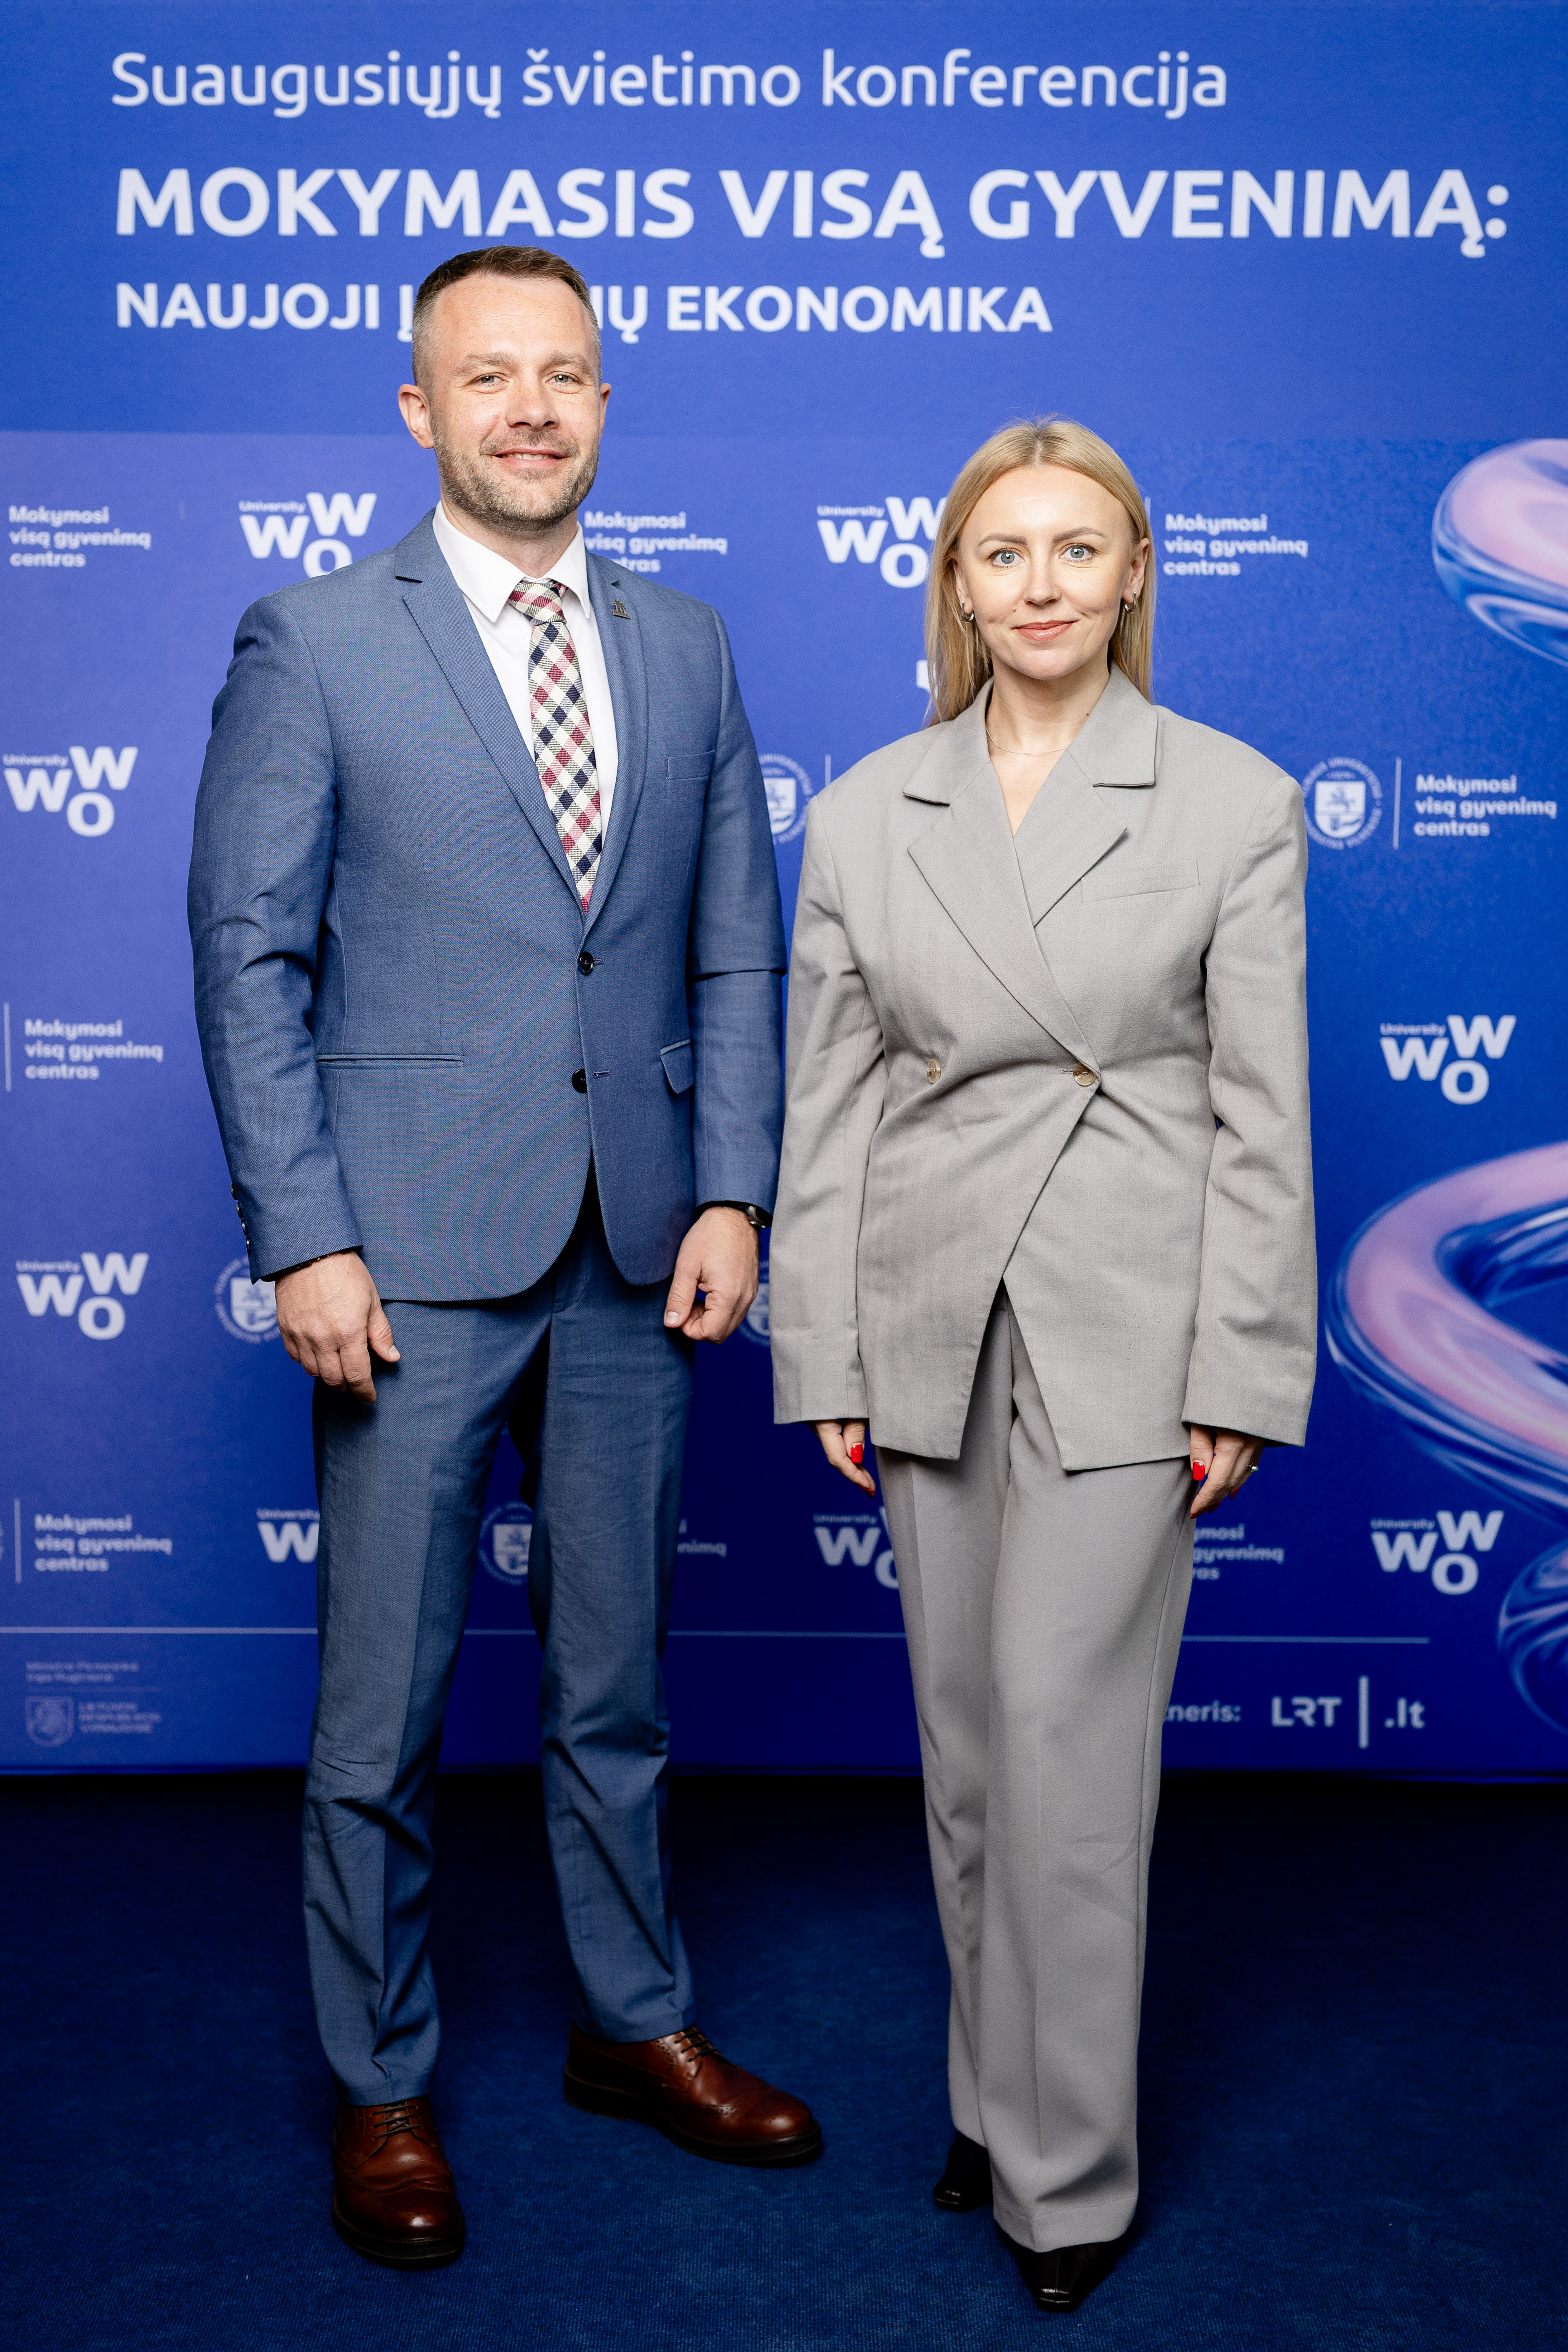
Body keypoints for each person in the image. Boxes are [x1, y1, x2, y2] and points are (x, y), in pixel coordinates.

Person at [188, 244, 818, 2271]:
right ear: (419, 409)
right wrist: (305, 1234)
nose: (530, 406)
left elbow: (733, 947)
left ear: (605, 403)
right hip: (406, 1259)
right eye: (487, 375)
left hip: (637, 1245)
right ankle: (380, 2081)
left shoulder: (685, 643)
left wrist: (733, 1191)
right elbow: (249, 958)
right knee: (377, 1720)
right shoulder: (312, 638)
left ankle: (633, 2022)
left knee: (614, 1686)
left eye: (564, 374)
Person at [769, 418, 1315, 2314]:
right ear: (955, 582)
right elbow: (829, 1107)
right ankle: (988, 2095)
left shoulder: (1232, 800)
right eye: (1003, 553)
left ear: (1136, 571)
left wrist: (1240, 1368)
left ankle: (1064, 2173)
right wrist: (824, 1347)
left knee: (1070, 1749)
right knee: (970, 1751)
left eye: (1079, 548)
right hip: (924, 1303)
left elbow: (1263, 1115)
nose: (1042, 584)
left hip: (1126, 1318)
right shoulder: (864, 813)